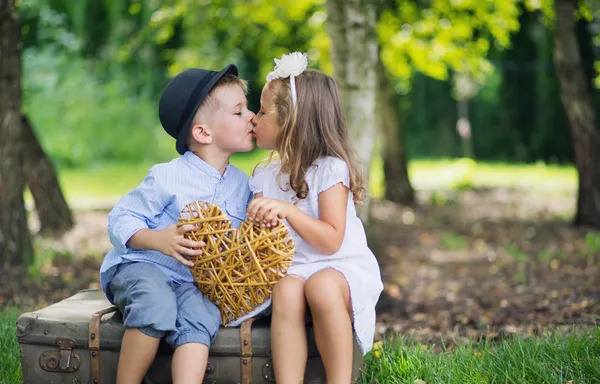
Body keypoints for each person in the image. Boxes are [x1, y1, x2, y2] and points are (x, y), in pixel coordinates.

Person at [99, 64, 255, 383]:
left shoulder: (244, 186)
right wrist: (158, 240)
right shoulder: (169, 175)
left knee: (203, 315)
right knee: (156, 305)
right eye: (239, 112)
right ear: (202, 133)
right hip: (142, 266)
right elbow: (121, 219)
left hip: (190, 283)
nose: (252, 116)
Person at [246, 52, 383, 384]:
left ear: (292, 121)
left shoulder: (329, 170)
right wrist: (259, 223)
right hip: (294, 267)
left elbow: (331, 239)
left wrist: (289, 211)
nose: (253, 118)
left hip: (339, 265)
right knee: (286, 290)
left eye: (263, 112)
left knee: (321, 287)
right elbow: (265, 236)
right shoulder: (266, 175)